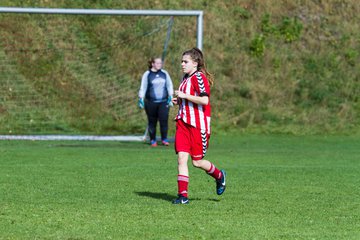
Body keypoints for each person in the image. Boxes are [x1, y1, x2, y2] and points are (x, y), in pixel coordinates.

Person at [171, 47, 226, 204]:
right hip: (182, 122)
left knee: (197, 162)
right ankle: (183, 197)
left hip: (197, 125)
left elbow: (204, 100)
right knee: (182, 158)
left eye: (185, 61)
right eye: (181, 61)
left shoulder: (199, 78)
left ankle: (219, 176)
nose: (182, 64)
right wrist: (179, 101)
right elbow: (188, 99)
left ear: (195, 63)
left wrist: (184, 96)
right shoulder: (185, 78)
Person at [138, 57, 174, 147]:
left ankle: (164, 139)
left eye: (160, 63)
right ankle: (153, 140)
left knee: (164, 120)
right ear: (153, 64)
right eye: (157, 63)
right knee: (152, 121)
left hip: (163, 102)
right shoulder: (147, 74)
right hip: (151, 102)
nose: (159, 65)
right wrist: (141, 98)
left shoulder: (164, 73)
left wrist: (171, 96)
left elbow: (169, 85)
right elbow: (143, 86)